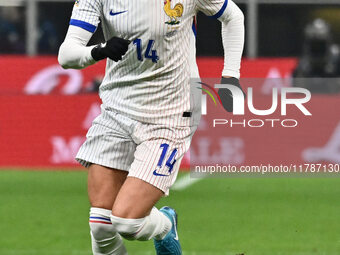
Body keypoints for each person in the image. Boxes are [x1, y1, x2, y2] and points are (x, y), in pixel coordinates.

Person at [58, 0, 244, 254]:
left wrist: (230, 76)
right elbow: (67, 55)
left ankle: (166, 226)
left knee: (126, 221)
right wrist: (99, 50)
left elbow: (233, 16)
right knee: (101, 225)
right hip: (118, 109)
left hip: (171, 112)